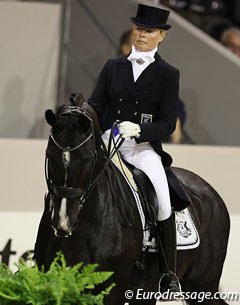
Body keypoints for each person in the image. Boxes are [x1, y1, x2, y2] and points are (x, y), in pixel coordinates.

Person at [88, 3, 181, 293]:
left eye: (149, 31)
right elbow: (95, 106)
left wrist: (141, 129)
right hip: (108, 143)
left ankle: (167, 272)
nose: (142, 34)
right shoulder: (112, 66)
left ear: (161, 36)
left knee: (164, 203)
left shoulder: (168, 74)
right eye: (139, 28)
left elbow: (168, 123)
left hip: (141, 149)